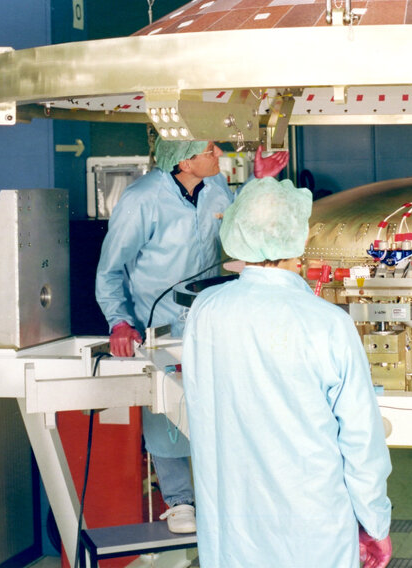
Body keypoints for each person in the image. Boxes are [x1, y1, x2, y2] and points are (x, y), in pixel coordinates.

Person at [181, 177, 392, 568]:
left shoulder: (206, 311)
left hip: (232, 524)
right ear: (300, 239)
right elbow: (361, 441)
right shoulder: (327, 322)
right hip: (313, 527)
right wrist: (375, 523)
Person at [96, 138, 286, 533]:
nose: (219, 156)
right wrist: (119, 322)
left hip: (211, 317)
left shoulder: (215, 188)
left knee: (225, 407)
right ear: (184, 160)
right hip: (159, 322)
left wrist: (258, 181)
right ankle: (180, 500)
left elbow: (242, 226)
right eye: (210, 151)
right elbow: (110, 270)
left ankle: (231, 498)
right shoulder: (141, 200)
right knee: (164, 408)